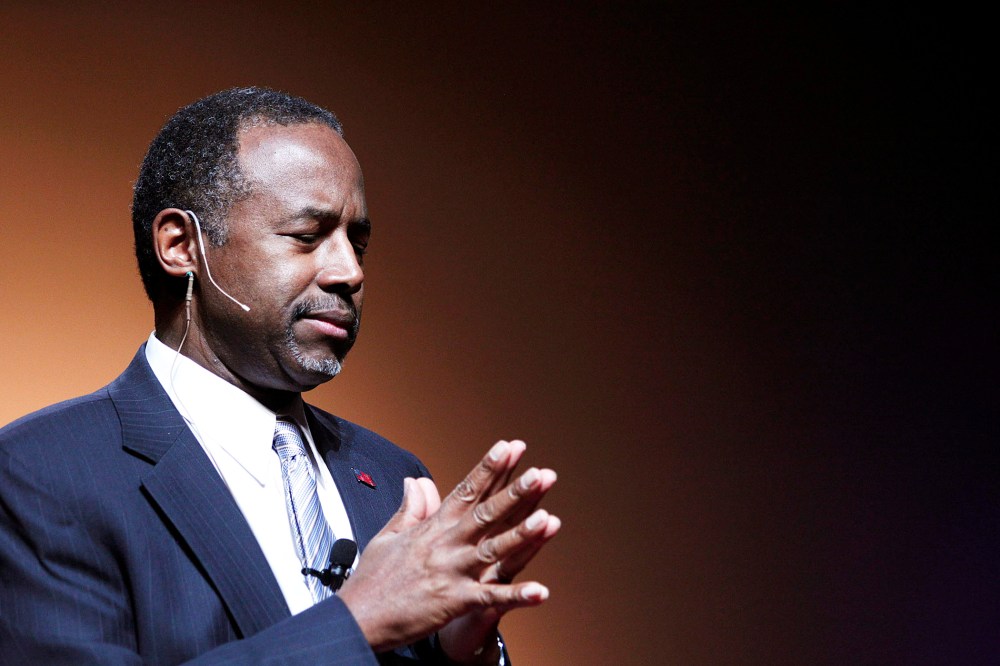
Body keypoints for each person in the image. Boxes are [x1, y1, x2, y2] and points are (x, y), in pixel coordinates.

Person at [0, 87, 560, 665]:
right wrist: (356, 621)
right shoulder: (37, 476)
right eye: (307, 236)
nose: (349, 272)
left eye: (358, 243)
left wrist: (460, 649)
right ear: (181, 245)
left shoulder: (394, 478)